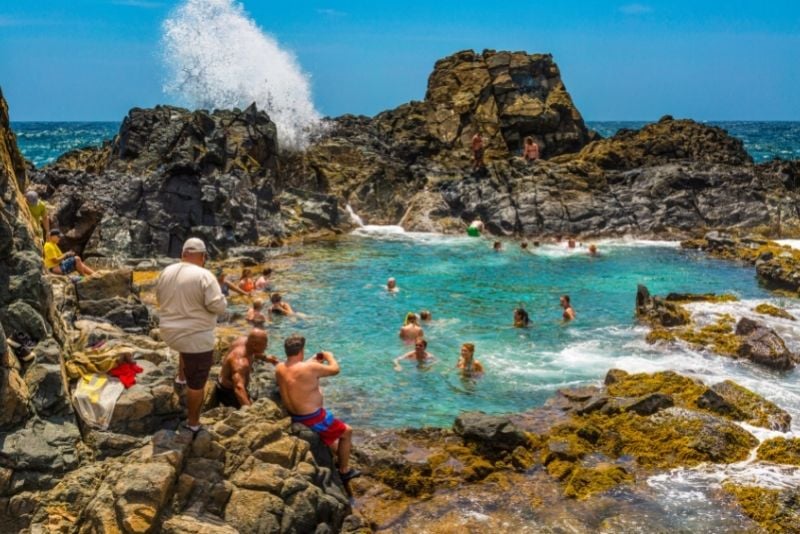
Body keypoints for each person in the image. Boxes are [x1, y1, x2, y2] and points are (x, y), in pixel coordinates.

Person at [156, 237, 227, 434]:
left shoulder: (166, 271)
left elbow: (159, 298)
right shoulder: (205, 275)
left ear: (183, 254)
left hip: (168, 332)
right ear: (203, 256)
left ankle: (180, 378)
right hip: (194, 337)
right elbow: (218, 307)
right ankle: (193, 422)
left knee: (186, 347)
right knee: (198, 382)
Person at [275, 334, 361, 482]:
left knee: (333, 436)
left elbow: (299, 370)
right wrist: (329, 356)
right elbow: (335, 369)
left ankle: (337, 456)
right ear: (301, 350)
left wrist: (312, 361)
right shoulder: (310, 368)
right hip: (312, 418)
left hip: (294, 415)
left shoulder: (280, 367)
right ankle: (344, 471)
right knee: (347, 431)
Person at [216, 329, 278, 408]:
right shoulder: (240, 363)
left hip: (228, 380)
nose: (266, 347)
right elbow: (238, 389)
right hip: (228, 392)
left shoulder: (243, 341)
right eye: (264, 345)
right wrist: (249, 411)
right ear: (254, 345)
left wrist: (265, 358)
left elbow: (251, 352)